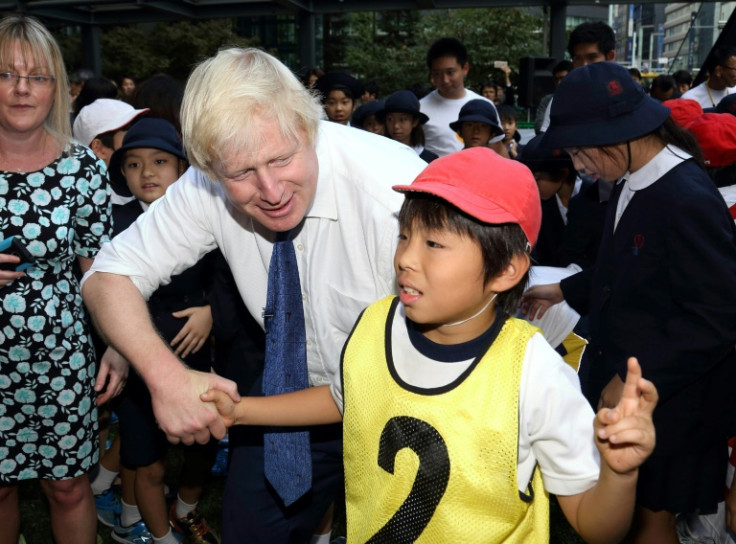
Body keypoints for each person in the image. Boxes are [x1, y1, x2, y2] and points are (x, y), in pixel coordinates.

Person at [202, 147, 658, 543]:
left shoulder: (532, 373)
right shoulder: (375, 324)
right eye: (404, 235)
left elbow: (600, 529)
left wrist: (619, 474)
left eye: (434, 243)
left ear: (506, 271)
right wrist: (243, 411)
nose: (405, 257)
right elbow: (349, 399)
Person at [81, 47, 427, 543]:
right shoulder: (206, 184)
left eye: (282, 159)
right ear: (207, 166)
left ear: (309, 127)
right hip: (292, 400)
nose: (270, 190)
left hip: (411, 404)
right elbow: (108, 274)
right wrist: (167, 377)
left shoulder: (395, 196)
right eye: (241, 174)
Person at [522, 61, 736, 543]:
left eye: (581, 151)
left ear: (618, 133)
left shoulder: (684, 195)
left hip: (670, 399)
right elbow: (631, 267)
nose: (577, 166)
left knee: (650, 517)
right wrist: (565, 290)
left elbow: (717, 314)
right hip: (636, 384)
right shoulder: (631, 178)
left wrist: (632, 380)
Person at [0, 15, 121, 544]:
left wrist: (118, 343)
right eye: (6, 73)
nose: (23, 88)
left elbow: (99, 268)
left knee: (70, 487)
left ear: (57, 88)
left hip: (60, 355)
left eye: (38, 76)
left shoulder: (83, 169)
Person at [106, 118, 219, 544]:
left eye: (159, 161)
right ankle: (157, 534)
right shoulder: (114, 223)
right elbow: (103, 291)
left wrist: (210, 311)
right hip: (137, 366)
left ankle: (186, 510)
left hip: (195, 359)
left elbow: (226, 280)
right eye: (133, 164)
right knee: (147, 462)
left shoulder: (205, 218)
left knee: (203, 445)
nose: (147, 172)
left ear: (182, 169)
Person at [419, 37, 503, 157]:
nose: (445, 80)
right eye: (437, 74)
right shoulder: (421, 108)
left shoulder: (484, 106)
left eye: (450, 72)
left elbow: (498, 150)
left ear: (465, 69)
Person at [539, 21, 617, 133]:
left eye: (592, 57)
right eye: (578, 59)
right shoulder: (562, 100)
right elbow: (546, 141)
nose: (584, 65)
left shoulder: (627, 96)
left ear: (610, 56)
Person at [379, 90, 438, 163]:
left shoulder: (429, 160)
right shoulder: (379, 154)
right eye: (390, 119)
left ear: (414, 122)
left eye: (402, 119)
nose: (396, 126)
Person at [534, 60, 572, 134]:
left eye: (563, 78)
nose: (559, 82)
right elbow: (539, 127)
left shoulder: (582, 98)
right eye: (556, 79)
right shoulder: (548, 100)